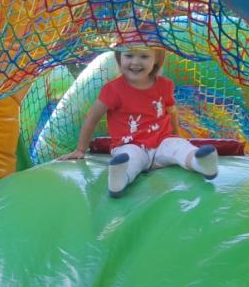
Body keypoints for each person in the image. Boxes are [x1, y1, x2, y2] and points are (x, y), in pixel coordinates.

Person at [59, 39, 218, 197]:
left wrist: (176, 136)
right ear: (119, 57)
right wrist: (80, 149)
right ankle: (120, 178)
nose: (135, 62)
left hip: (162, 142)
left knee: (179, 147)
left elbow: (172, 112)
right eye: (129, 56)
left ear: (156, 59)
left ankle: (200, 163)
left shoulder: (164, 85)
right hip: (130, 144)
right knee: (130, 158)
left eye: (144, 56)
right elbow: (92, 117)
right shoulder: (113, 90)